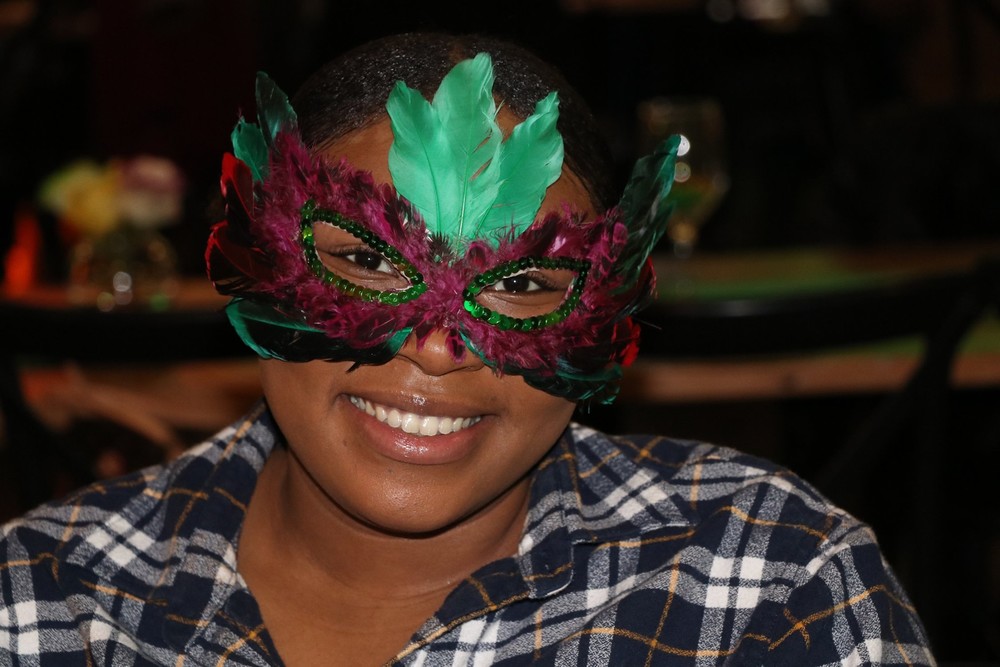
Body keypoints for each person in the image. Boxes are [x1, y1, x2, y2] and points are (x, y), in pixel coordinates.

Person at [0, 32, 934, 665]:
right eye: (368, 260)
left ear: (607, 312)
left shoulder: (777, 588)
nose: (441, 347)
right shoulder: (41, 604)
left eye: (524, 283)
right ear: (255, 254)